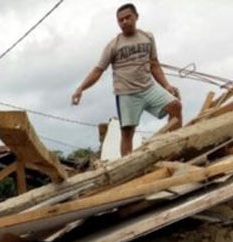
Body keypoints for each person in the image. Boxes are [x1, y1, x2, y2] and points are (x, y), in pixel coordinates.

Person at [71, 3, 182, 156]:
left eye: (127, 17)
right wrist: (80, 89)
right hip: (127, 94)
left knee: (175, 106)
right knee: (127, 133)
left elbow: (154, 65)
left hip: (149, 88)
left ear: (136, 17)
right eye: (120, 20)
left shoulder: (147, 37)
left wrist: (167, 86)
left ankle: (174, 149)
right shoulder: (113, 45)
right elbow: (98, 70)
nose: (124, 22)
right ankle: (128, 165)